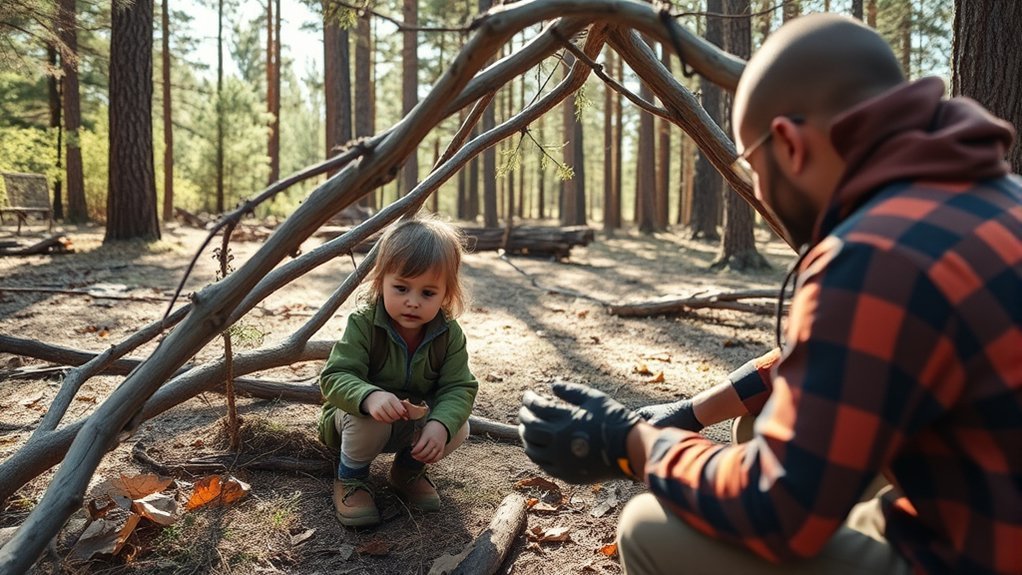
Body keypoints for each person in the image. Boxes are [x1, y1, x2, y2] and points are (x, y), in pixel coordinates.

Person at [519, 13, 1021, 575]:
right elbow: (842, 358)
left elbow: (776, 509)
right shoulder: (991, 202)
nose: (759, 193)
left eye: (753, 168)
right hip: (984, 511)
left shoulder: (877, 253)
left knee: (651, 528)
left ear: (789, 144)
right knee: (757, 425)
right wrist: (689, 413)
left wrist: (632, 445)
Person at [319, 216, 478, 527]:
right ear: (381, 282)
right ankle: (351, 478)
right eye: (401, 288)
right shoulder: (364, 324)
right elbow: (334, 377)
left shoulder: (448, 334)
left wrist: (440, 425)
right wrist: (369, 396)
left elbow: (459, 388)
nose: (412, 302)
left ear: (446, 293)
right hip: (358, 421)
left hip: (410, 426)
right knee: (369, 420)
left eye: (427, 293)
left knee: (458, 425)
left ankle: (407, 471)